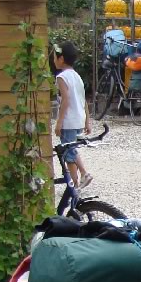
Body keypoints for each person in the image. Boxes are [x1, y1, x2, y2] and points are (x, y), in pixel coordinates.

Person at [53, 41, 92, 188]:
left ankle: (78, 180)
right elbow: (84, 100)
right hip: (79, 118)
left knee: (68, 153)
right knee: (71, 149)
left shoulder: (62, 77)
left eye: (55, 58)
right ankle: (79, 178)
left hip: (69, 120)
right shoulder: (77, 76)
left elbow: (65, 100)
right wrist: (87, 120)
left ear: (61, 59)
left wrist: (59, 122)